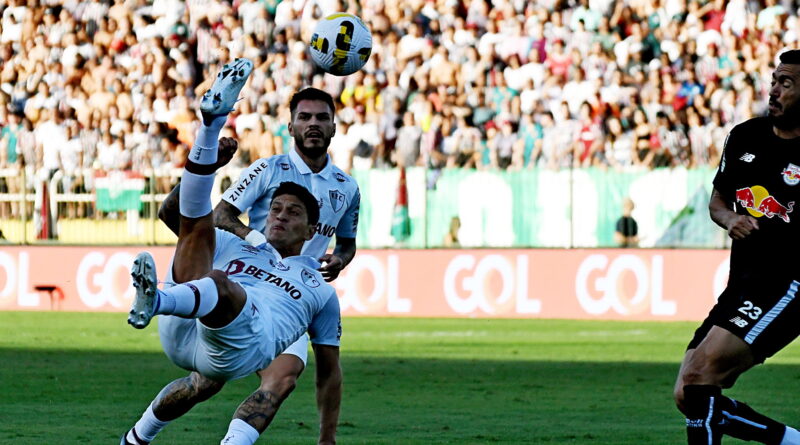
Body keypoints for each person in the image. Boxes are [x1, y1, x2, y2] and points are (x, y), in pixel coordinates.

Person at [121, 58, 342, 445]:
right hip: (192, 325)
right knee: (200, 241)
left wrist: (327, 438)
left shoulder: (320, 286)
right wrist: (209, 164)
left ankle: (157, 299)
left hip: (258, 329)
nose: (278, 217)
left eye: (292, 213)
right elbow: (180, 218)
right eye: (275, 209)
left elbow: (330, 368)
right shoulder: (251, 206)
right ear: (290, 126)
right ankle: (210, 122)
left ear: (312, 229)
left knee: (280, 378)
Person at [213, 86, 360, 435]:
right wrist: (256, 239)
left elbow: (348, 244)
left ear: (334, 128)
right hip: (249, 286)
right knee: (203, 383)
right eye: (304, 117)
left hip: (295, 295)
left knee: (285, 379)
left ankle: (325, 440)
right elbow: (221, 215)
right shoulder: (267, 168)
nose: (313, 124)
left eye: (322, 118)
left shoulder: (347, 187)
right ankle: (142, 433)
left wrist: (339, 260)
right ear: (290, 127)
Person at [673, 49, 800, 445]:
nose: (774, 90)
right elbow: (718, 201)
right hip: (742, 282)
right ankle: (791, 441)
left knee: (699, 378)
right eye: (774, 80)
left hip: (787, 284)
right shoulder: (745, 136)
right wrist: (731, 220)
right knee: (687, 395)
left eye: (787, 83)